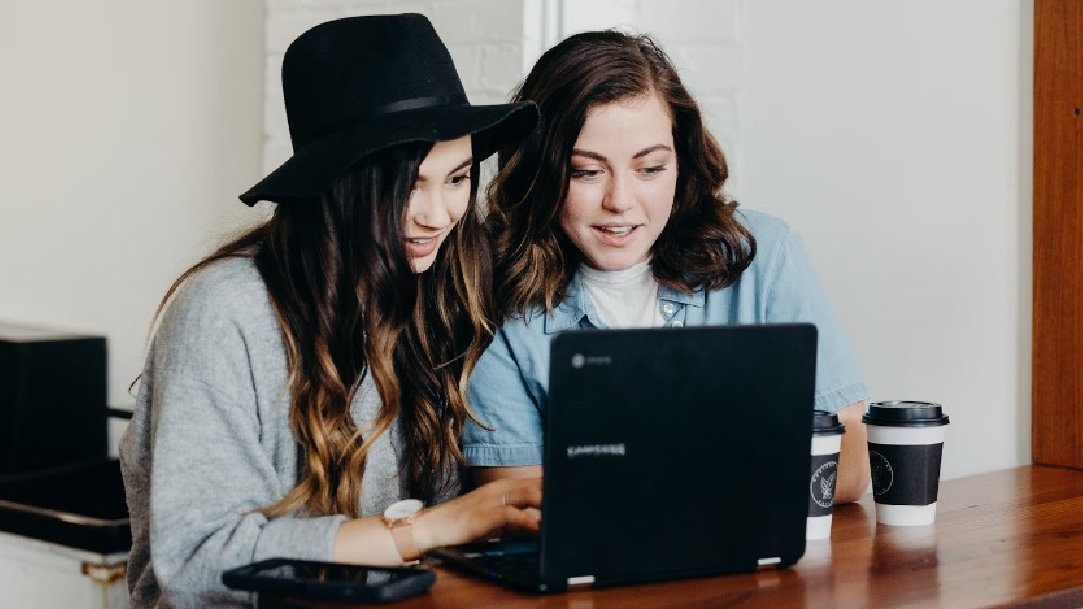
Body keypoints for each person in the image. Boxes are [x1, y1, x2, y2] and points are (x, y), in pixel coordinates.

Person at [120, 14, 541, 608]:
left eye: (458, 178)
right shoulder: (225, 312)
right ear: (340, 183)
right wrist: (429, 530)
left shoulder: (432, 299)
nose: (439, 213)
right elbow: (200, 561)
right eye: (408, 184)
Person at [464, 30, 872, 502]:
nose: (620, 201)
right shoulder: (494, 293)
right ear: (540, 172)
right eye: (586, 172)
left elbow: (850, 466)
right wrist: (738, 460)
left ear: (681, 161)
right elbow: (513, 504)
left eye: (650, 168)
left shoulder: (764, 255)